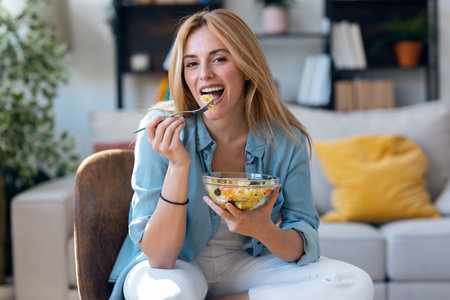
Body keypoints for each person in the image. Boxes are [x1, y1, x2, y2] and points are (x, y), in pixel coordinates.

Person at [108, 8, 374, 300]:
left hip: (245, 265)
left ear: (247, 67)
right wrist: (178, 166)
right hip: (175, 267)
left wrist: (265, 230)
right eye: (192, 64)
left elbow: (304, 242)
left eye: (219, 59)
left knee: (353, 283)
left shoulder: (285, 140)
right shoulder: (159, 129)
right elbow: (160, 258)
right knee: (168, 296)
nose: (204, 74)